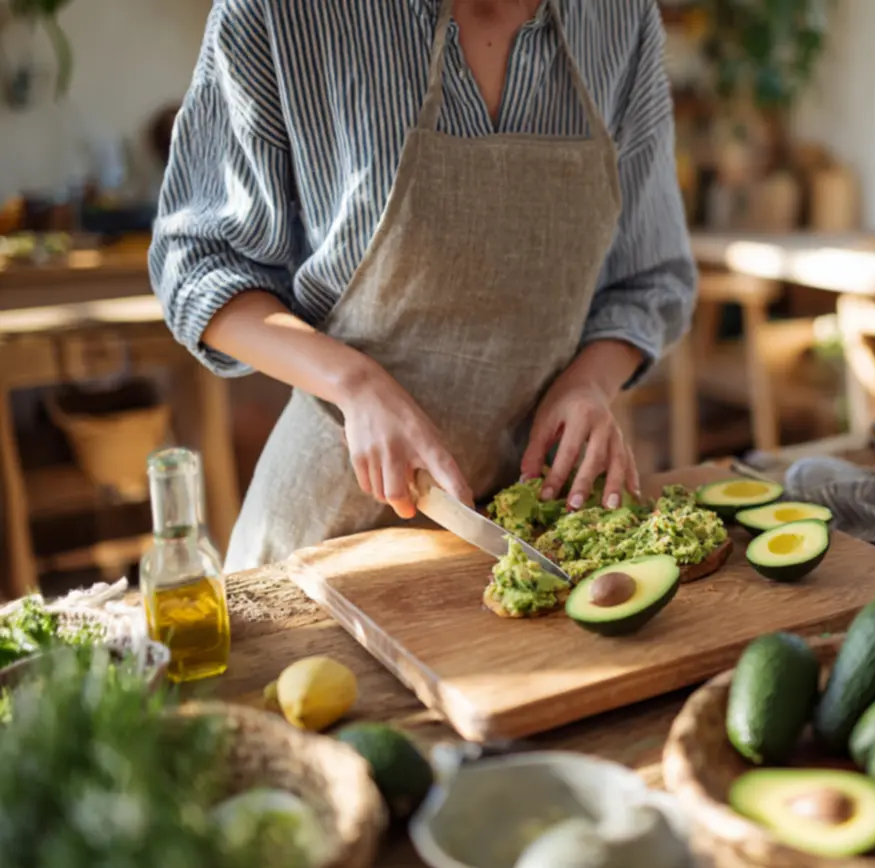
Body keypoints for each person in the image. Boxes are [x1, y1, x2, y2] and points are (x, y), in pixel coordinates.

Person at [150, 0, 695, 572]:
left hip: (534, 530)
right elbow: (199, 262)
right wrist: (353, 383)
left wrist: (589, 381)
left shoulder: (620, 19)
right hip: (328, 541)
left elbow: (650, 277)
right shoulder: (281, 15)